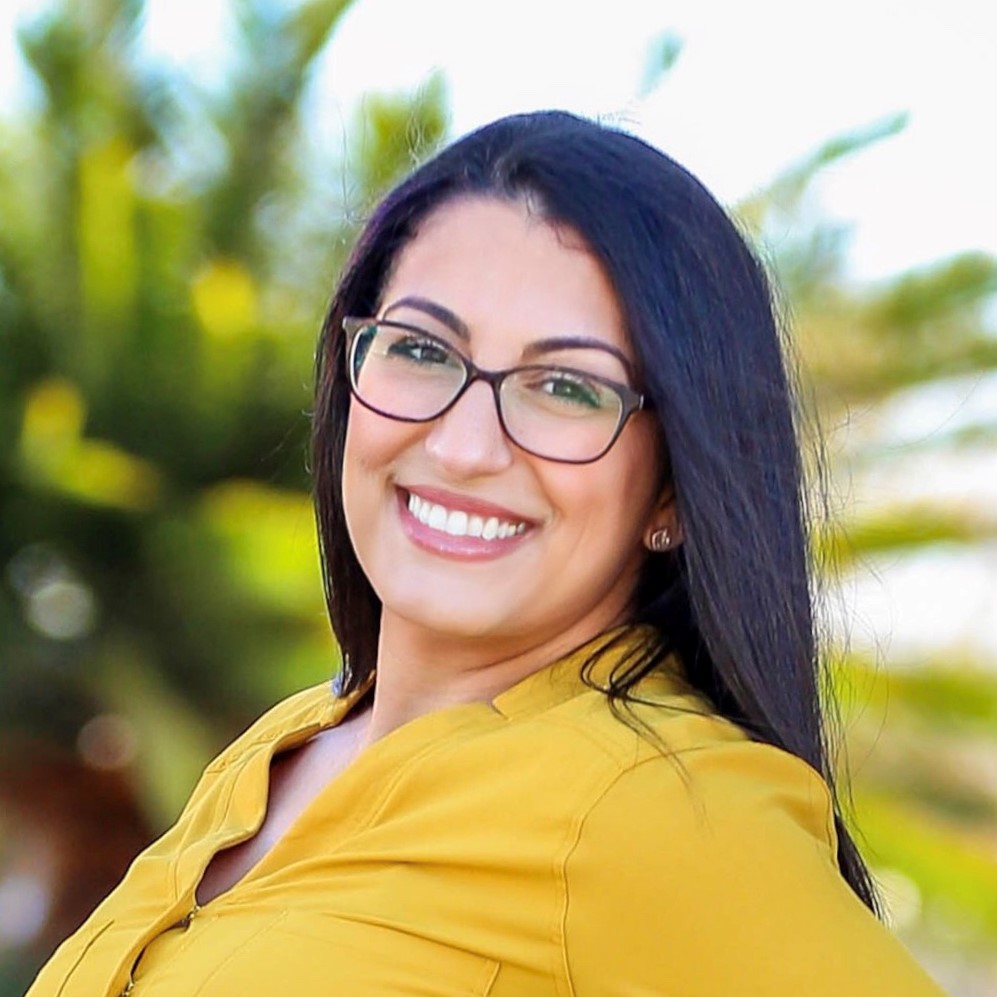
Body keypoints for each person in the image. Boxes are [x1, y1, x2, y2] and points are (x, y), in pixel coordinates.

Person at [27, 110, 948, 996]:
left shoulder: (660, 806)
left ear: (671, 490)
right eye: (422, 350)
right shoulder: (289, 746)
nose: (464, 445)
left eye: (565, 387)